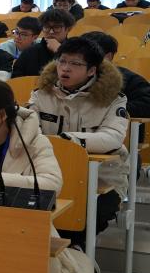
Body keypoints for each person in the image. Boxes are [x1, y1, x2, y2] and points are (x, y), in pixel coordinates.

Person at [28, 37, 128, 248]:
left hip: (102, 178)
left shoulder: (113, 98)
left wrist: (67, 141)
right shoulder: (41, 94)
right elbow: (29, 129)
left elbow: (112, 137)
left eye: (75, 64)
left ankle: (76, 254)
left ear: (91, 70)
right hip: (50, 173)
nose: (65, 68)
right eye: (62, 61)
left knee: (85, 217)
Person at [81, 32, 150, 119]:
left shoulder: (129, 79)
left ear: (108, 57)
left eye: (88, 54)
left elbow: (146, 105)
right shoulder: (71, 75)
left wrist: (112, 109)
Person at [11, 9, 75, 78]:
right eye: (46, 27)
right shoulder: (29, 52)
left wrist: (59, 51)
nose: (51, 32)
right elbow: (17, 79)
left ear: (68, 29)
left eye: (57, 27)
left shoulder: (76, 51)